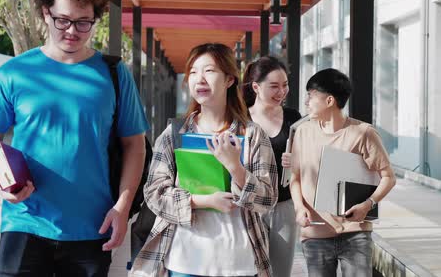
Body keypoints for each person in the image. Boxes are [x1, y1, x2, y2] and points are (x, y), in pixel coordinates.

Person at [0, 0, 149, 277]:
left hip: (92, 226)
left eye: (84, 21)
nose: (72, 30)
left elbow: (134, 145)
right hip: (24, 222)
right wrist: (0, 182)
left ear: (96, 18)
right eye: (62, 20)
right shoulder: (14, 72)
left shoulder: (113, 74)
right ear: (45, 12)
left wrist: (122, 208)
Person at [130, 43, 278, 277]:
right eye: (193, 72)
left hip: (238, 262)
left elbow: (268, 199)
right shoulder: (173, 134)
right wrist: (203, 200)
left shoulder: (252, 135)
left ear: (229, 79)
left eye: (209, 71)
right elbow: (154, 194)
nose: (200, 79)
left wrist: (235, 168)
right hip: (184, 261)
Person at [286, 68, 396, 277]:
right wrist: (300, 209)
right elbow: (296, 178)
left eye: (311, 96)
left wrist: (368, 204)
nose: (306, 102)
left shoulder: (363, 133)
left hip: (355, 233)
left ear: (329, 101)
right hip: (315, 233)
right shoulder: (303, 131)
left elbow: (388, 177)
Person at [242, 57, 300, 277]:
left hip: (284, 206)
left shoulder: (293, 118)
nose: (281, 91)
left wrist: (297, 162)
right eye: (274, 86)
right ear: (256, 87)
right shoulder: (240, 118)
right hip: (249, 206)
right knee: (248, 269)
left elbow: (309, 159)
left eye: (285, 85)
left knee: (280, 271)